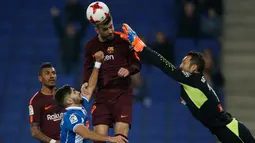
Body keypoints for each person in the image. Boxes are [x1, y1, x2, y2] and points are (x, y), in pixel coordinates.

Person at [118, 24, 255, 143]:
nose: (180, 65)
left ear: (194, 68)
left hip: (231, 131)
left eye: (184, 62)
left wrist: (139, 45)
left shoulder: (193, 80)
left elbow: (163, 65)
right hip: (226, 130)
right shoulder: (190, 84)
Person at [81, 2, 141, 142]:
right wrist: (85, 82)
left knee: (120, 138)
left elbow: (137, 63)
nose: (110, 31)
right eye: (106, 29)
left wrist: (128, 69)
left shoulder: (123, 40)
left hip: (122, 94)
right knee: (99, 138)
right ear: (97, 30)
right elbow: (87, 69)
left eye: (111, 26)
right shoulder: (91, 46)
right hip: (102, 96)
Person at [54, 51, 128, 143]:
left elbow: (90, 87)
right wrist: (110, 138)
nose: (78, 92)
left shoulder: (80, 107)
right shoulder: (71, 116)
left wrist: (97, 63)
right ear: (69, 101)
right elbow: (86, 134)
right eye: (74, 92)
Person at [29, 62, 65, 143]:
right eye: (47, 73)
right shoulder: (36, 101)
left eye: (53, 73)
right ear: (40, 78)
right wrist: (54, 142)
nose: (52, 76)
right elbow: (34, 131)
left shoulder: (64, 94)